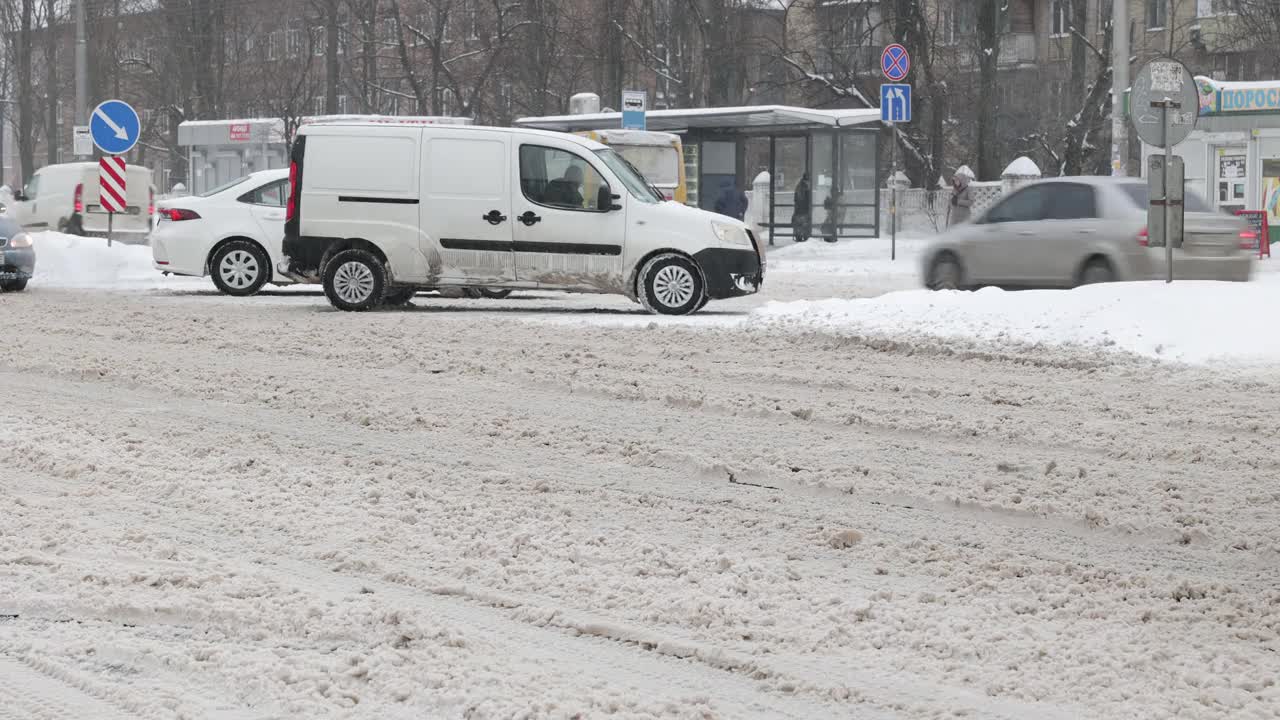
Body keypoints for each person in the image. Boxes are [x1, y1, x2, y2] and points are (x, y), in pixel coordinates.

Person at [792, 174, 811, 242]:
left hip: (798, 210)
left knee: (799, 223)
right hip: (803, 210)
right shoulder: (805, 187)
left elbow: (795, 199)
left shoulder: (799, 186)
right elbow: (807, 200)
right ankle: (803, 236)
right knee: (804, 223)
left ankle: (798, 236)